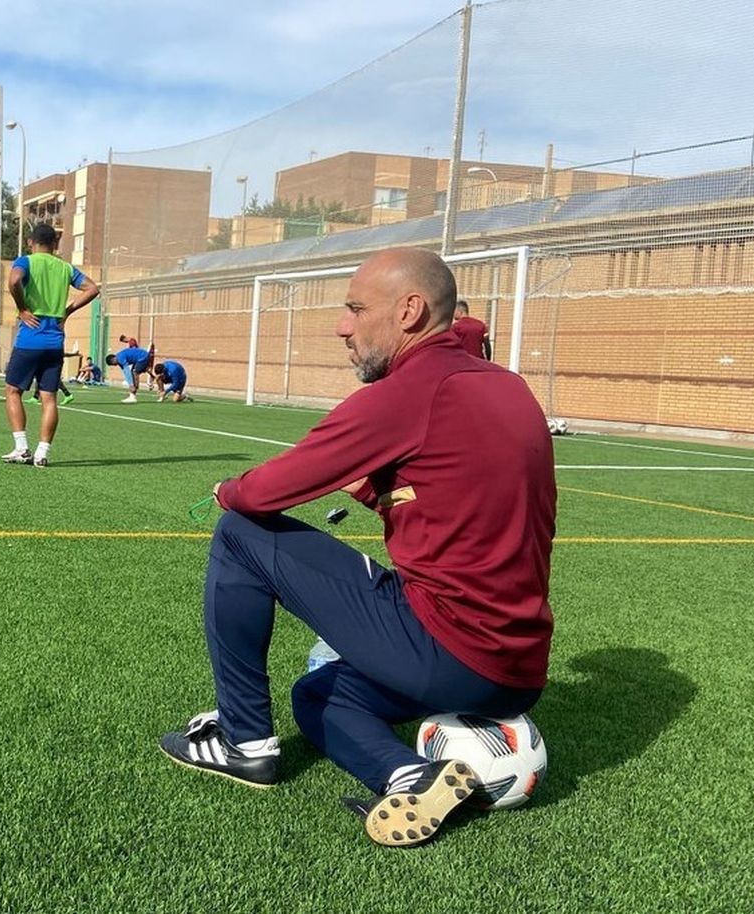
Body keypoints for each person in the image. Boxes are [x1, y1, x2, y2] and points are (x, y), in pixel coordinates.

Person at [157, 247, 555, 848]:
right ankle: (409, 776)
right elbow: (448, 498)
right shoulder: (509, 388)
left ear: (410, 312)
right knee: (317, 693)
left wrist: (228, 490)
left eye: (355, 308)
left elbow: (268, 490)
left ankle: (242, 744)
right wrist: (377, 488)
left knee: (240, 533)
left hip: (443, 650)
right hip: (519, 671)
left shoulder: (411, 390)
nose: (343, 326)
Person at [1, 222, 99, 467]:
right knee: (50, 399)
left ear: (30, 242)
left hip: (29, 338)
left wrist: (22, 308)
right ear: (55, 245)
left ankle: (22, 447)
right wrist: (67, 311)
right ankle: (42, 453)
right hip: (55, 340)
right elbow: (93, 288)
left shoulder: (26, 261)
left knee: (13, 391)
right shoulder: (65, 267)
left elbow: (14, 281)